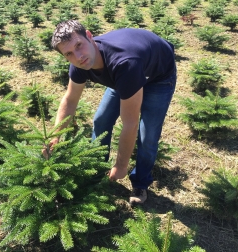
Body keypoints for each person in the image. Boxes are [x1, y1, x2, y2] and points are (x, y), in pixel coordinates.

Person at [47, 20, 177, 205]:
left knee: (147, 134)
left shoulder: (124, 63)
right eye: (69, 53)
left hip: (158, 75)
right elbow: (70, 100)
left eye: (79, 45)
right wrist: (55, 136)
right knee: (101, 119)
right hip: (123, 76)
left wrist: (121, 165)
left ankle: (140, 182)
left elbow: (130, 123)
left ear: (90, 36)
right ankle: (97, 169)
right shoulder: (79, 63)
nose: (78, 56)